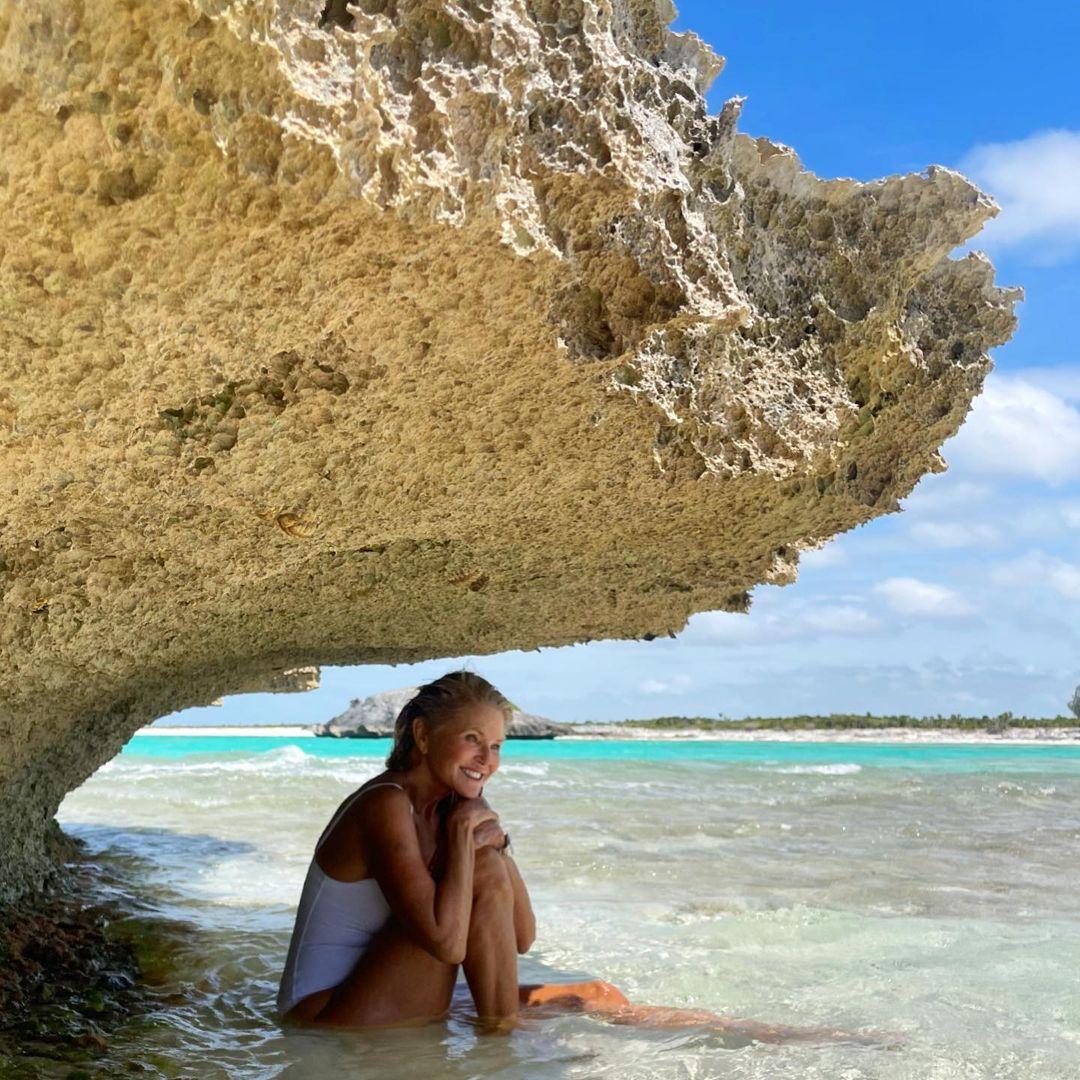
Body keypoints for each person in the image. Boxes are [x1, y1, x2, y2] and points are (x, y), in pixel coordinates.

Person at [277, 671, 888, 1044]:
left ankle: (778, 1037)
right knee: (518, 1005)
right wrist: (469, 844)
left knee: (599, 997)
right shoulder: (386, 804)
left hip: (387, 993)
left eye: (495, 747)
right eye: (472, 740)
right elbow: (443, 943)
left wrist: (493, 840)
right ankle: (501, 1043)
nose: (486, 758)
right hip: (329, 1014)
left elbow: (517, 935)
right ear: (422, 735)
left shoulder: (445, 809)